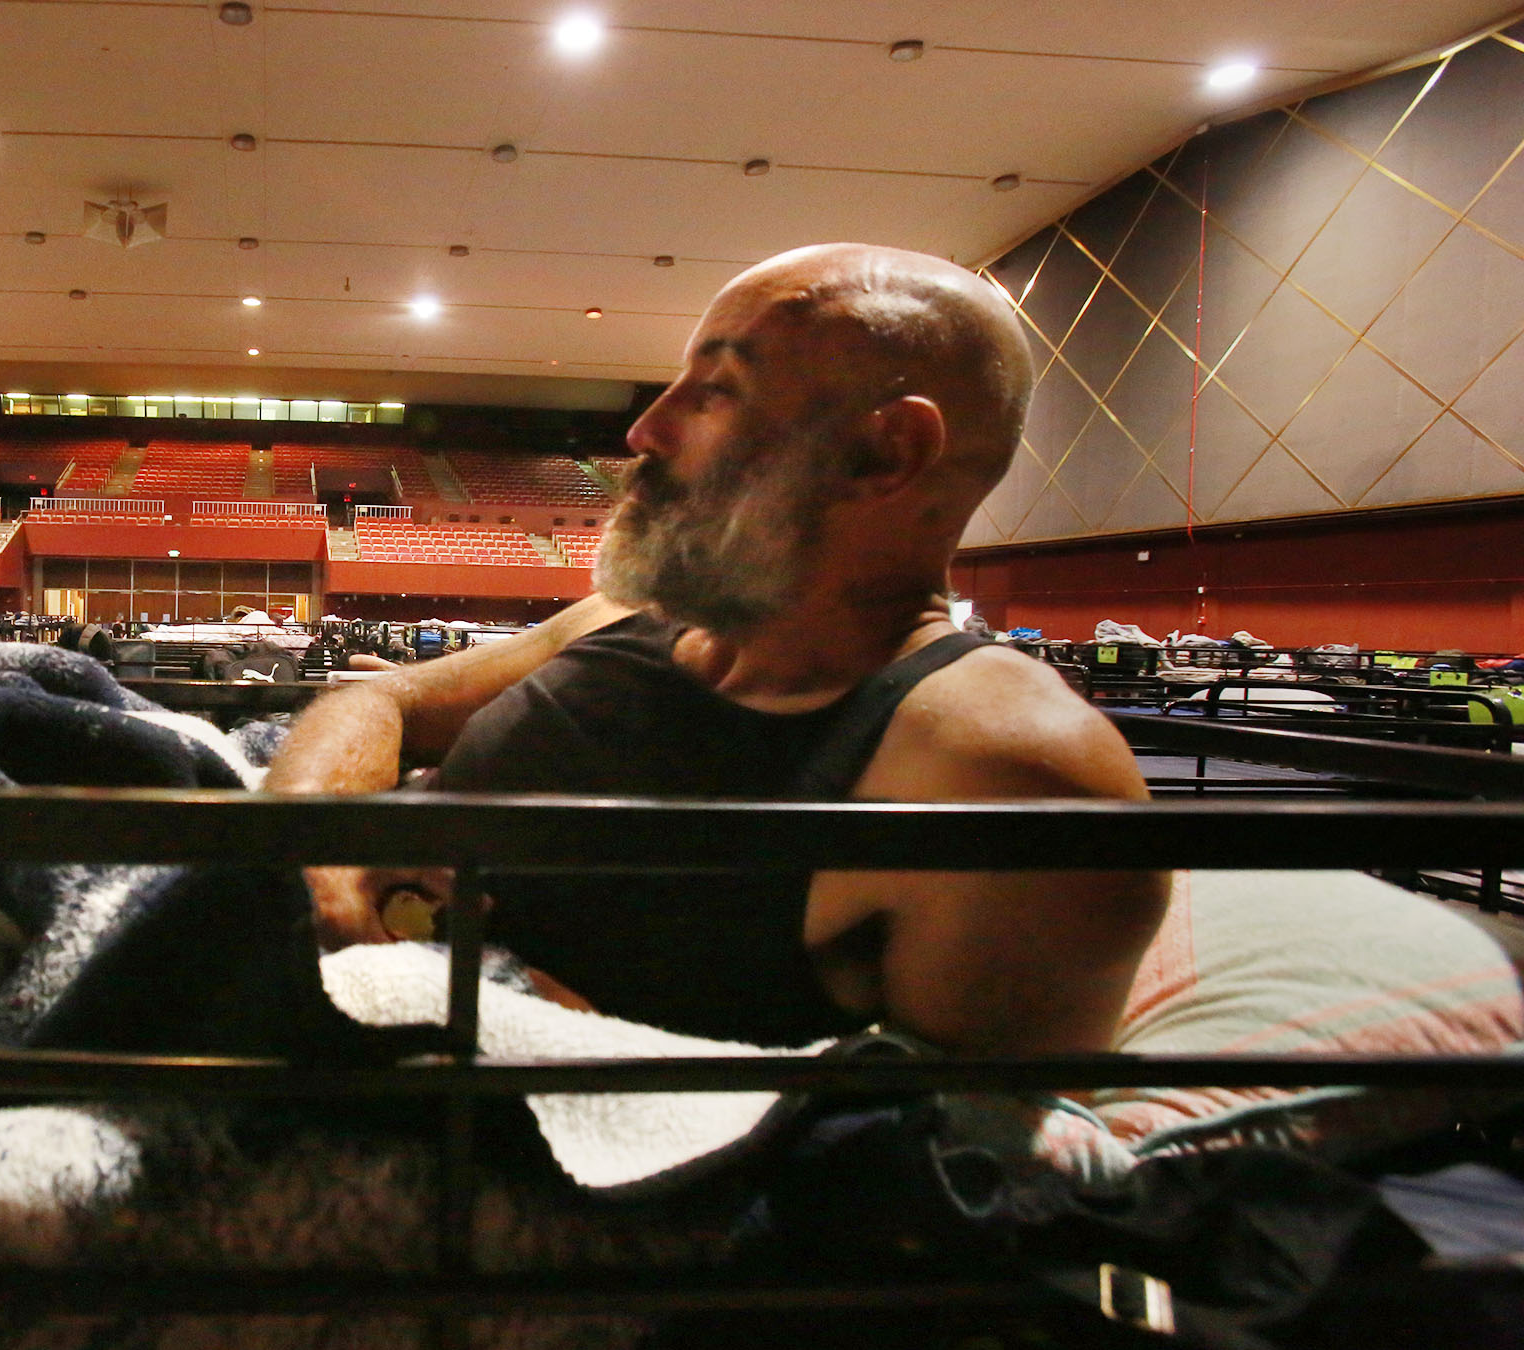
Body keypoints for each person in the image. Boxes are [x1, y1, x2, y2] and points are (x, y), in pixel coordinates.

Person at [264, 243, 1168, 1057]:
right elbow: (375, 700)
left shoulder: (1009, 767)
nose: (645, 430)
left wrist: (544, 1031)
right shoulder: (624, 616)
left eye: (718, 390)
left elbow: (966, 1181)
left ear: (884, 451)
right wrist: (317, 841)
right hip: (308, 963)